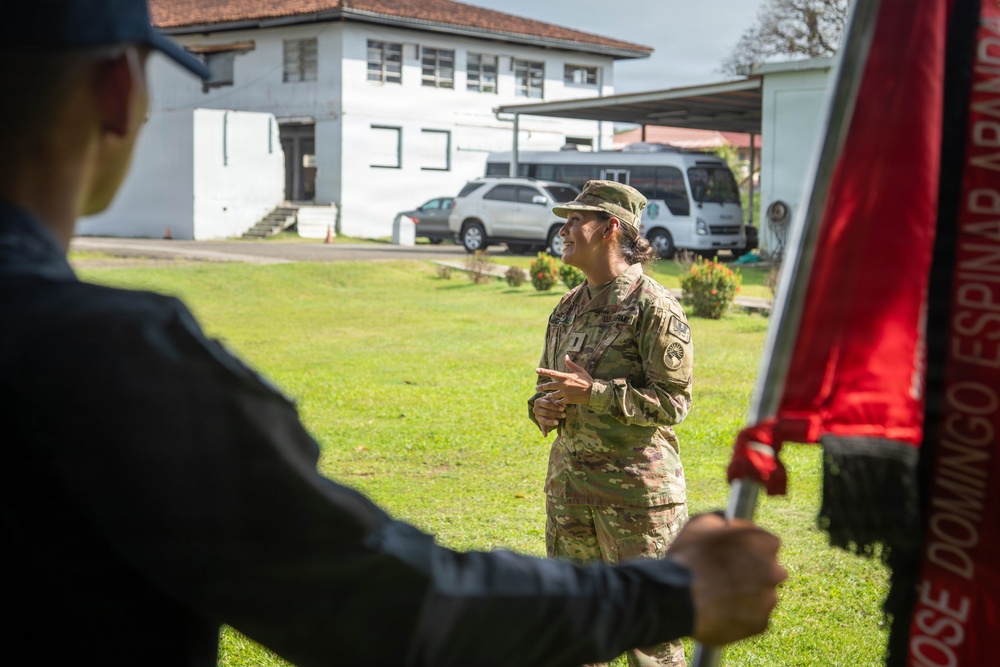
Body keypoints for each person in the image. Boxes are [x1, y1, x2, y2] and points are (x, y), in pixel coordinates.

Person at [0, 2, 786, 666]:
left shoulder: (98, 352)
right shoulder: (115, 365)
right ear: (118, 93)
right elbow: (384, 599)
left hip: (627, 492)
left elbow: (671, 398)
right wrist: (675, 591)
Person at [530, 181, 694, 667]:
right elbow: (546, 387)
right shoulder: (566, 307)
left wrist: (594, 393)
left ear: (610, 228)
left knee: (651, 640)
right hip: (571, 494)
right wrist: (541, 408)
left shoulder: (654, 307)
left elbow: (674, 404)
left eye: (576, 220)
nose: (564, 229)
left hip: (636, 504)